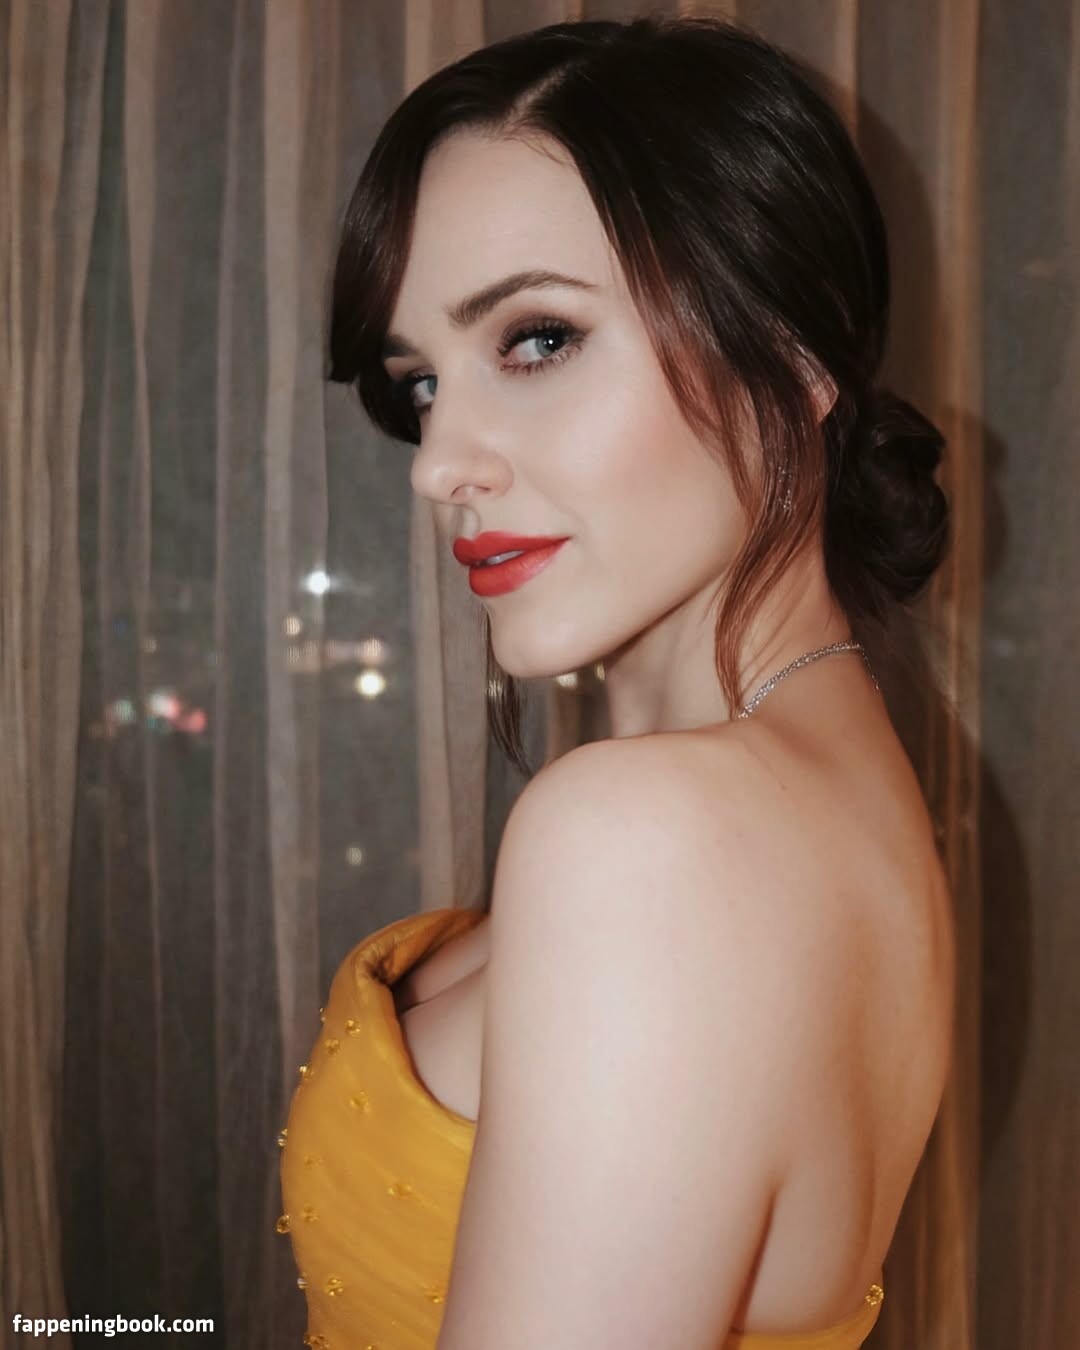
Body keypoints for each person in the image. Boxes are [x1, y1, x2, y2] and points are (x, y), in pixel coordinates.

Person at [278, 15, 956, 1350]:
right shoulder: (821, 790)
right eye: (422, 384)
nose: (439, 463)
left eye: (535, 340)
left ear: (796, 356)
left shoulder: (651, 841)